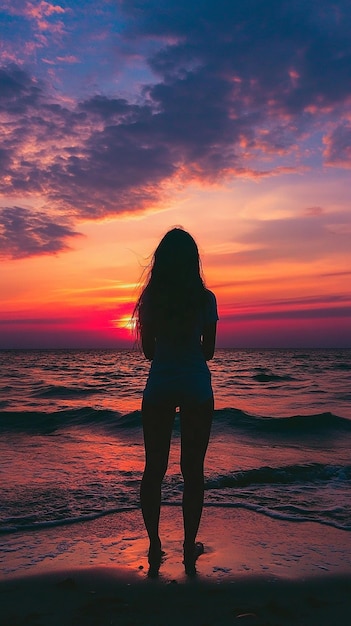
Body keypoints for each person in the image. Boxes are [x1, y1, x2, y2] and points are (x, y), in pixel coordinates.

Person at [134, 227, 218, 576]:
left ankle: (155, 544)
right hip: (197, 386)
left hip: (160, 387)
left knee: (154, 469)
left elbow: (150, 351)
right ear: (193, 260)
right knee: (193, 471)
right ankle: (188, 545)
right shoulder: (206, 298)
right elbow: (209, 351)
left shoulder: (151, 298)